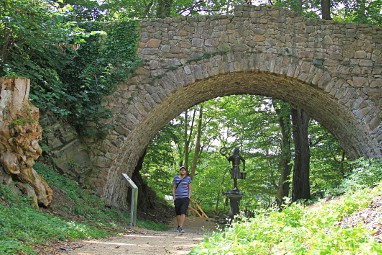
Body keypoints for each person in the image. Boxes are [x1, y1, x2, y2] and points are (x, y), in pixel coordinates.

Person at [172, 166, 192, 233]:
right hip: (177, 198)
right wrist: (174, 197)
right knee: (178, 213)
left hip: (185, 198)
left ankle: (181, 227)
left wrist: (188, 197)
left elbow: (189, 188)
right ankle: (178, 226)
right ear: (180, 171)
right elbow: (174, 188)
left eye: (184, 170)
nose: (182, 171)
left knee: (183, 212)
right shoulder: (176, 178)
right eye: (181, 170)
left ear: (185, 172)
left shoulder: (188, 178)